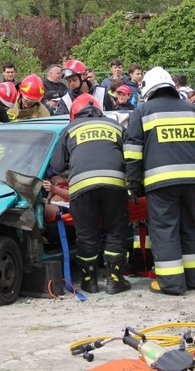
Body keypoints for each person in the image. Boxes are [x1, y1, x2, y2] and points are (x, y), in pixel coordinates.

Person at [125, 67, 195, 296]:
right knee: (189, 225)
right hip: (192, 180)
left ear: (149, 89)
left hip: (160, 182)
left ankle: (172, 283)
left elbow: (133, 153)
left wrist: (134, 184)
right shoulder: (193, 110)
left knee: (165, 229)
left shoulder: (142, 112)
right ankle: (193, 278)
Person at [50, 94, 131, 295]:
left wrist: (75, 168)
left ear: (73, 113)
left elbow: (58, 164)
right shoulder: (116, 126)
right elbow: (132, 157)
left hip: (82, 188)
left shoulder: (70, 129)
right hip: (115, 185)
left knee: (86, 234)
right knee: (115, 231)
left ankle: (89, 282)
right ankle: (115, 281)